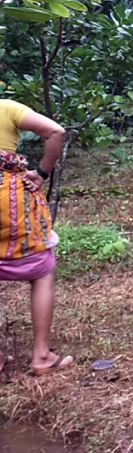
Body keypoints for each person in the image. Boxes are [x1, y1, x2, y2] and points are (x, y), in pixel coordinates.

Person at [0, 99, 74, 376]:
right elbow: (55, 131)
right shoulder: (6, 108)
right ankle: (41, 355)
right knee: (41, 272)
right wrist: (41, 173)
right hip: (8, 200)